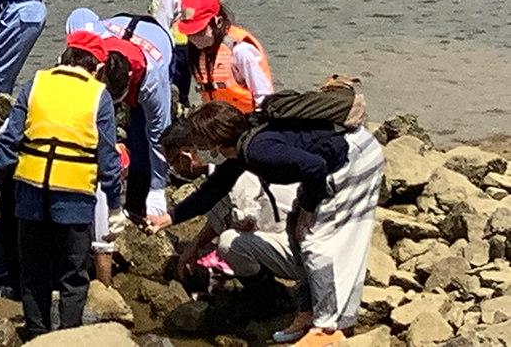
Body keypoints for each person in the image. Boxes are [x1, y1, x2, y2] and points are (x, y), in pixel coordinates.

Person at [147, 101, 385, 347]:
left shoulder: (258, 151)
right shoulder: (238, 150)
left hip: (354, 159)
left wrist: (308, 209)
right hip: (334, 159)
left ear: (215, 141)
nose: (198, 150)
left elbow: (315, 167)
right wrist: (169, 218)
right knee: (297, 229)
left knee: (317, 241)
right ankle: (307, 312)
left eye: (201, 144)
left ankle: (329, 327)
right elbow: (211, 191)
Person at [0, 30, 125, 338]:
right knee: (73, 276)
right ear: (97, 67)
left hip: (30, 195)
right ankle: (67, 337)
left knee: (34, 272)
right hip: (74, 201)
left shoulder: (35, 85)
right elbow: (108, 158)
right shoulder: (99, 96)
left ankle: (36, 333)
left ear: (65, 56)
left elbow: (9, 142)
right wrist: (115, 207)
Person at [161, 119, 297, 317]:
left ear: (186, 156)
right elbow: (221, 214)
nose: (173, 169)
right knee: (228, 239)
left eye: (172, 162)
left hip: (299, 249)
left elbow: (246, 220)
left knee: (229, 243)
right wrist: (194, 247)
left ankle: (270, 301)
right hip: (291, 235)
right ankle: (267, 293)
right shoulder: (228, 164)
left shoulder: (236, 173)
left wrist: (217, 257)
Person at [65, 8, 173, 218]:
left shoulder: (153, 82)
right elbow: (79, 14)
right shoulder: (92, 42)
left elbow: (160, 136)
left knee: (143, 140)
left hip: (157, 40)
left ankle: (135, 206)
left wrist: (158, 188)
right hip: (116, 27)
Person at [178, 0, 273, 113]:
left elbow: (263, 96)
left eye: (199, 31)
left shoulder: (241, 51)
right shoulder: (199, 52)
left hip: (247, 121)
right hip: (218, 122)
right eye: (189, 33)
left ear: (218, 22)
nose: (193, 37)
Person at [147, 0, 200, 107]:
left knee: (169, 93)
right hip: (194, 47)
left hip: (173, 49)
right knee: (184, 92)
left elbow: (161, 25)